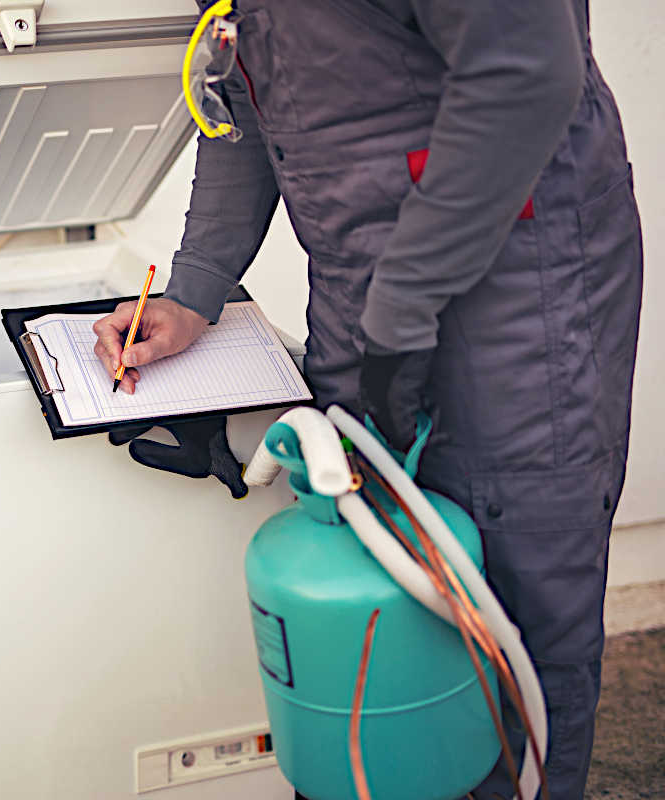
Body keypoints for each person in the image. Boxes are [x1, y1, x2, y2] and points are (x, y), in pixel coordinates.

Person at [93, 2, 643, 798]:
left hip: (518, 300)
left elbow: (522, 74)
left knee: (511, 627)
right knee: (379, 596)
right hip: (368, 300)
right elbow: (244, 85)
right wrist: (194, 290)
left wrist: (402, 303)